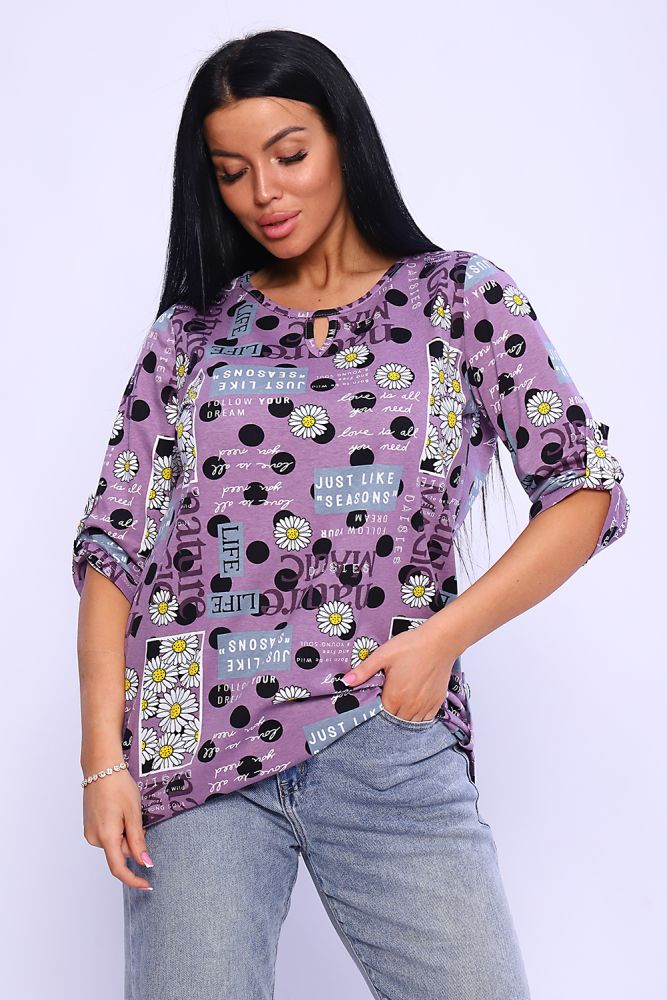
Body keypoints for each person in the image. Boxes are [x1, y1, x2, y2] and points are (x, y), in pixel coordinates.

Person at [72, 28, 630, 1000]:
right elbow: (114, 548)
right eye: (232, 171)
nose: (264, 192)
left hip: (384, 734)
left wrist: (439, 643)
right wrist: (100, 763)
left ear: (342, 138)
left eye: (288, 154)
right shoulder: (190, 335)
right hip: (192, 749)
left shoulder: (457, 300)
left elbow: (582, 488)